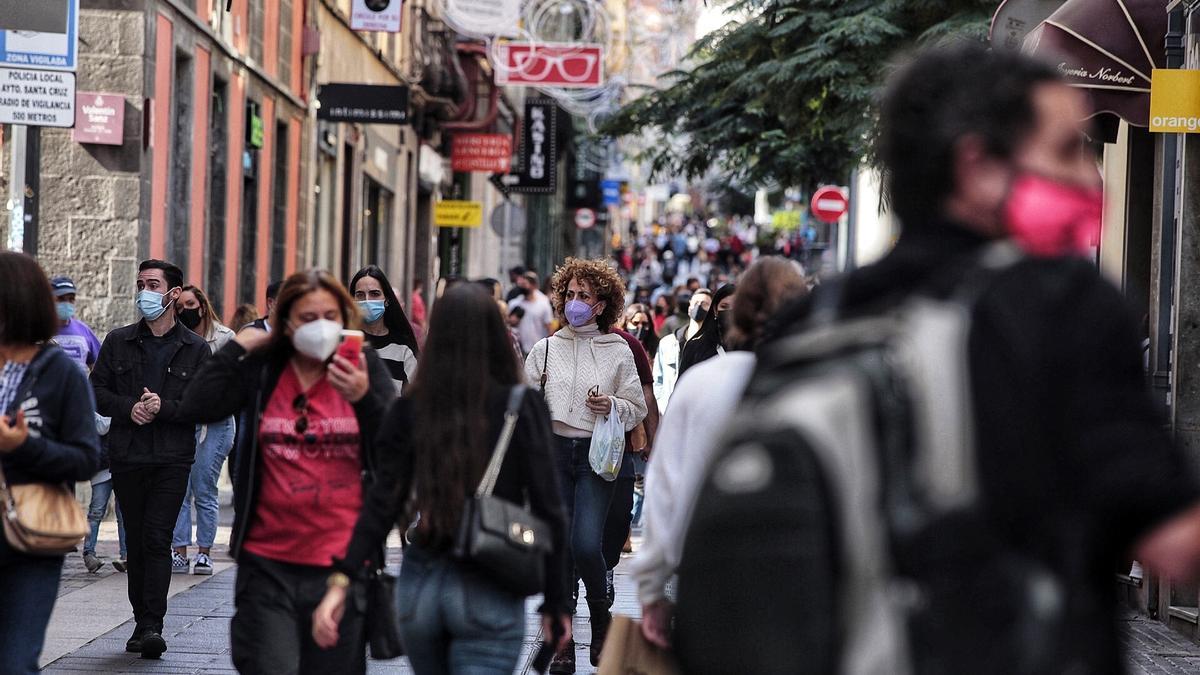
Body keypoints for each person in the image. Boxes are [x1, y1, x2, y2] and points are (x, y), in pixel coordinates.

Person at [763, 43, 1200, 671]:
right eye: (1065, 149)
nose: (1090, 177)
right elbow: (1173, 546)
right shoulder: (1067, 306)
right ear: (977, 165)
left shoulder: (812, 321)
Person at [312, 284, 572, 673]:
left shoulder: (413, 408)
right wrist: (557, 603)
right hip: (491, 583)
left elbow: (383, 502)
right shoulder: (522, 405)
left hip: (422, 583)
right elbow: (551, 507)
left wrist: (341, 580)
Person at [171, 269, 394, 674]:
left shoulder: (361, 367)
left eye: (330, 316)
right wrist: (236, 350)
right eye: (308, 318)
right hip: (267, 564)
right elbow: (195, 405)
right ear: (286, 322)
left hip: (341, 567)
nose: (321, 327)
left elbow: (396, 452)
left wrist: (363, 400)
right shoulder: (265, 369)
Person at [632, 257, 806, 648]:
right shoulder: (826, 382)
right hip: (796, 574)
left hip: (706, 564)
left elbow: (665, 484)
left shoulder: (702, 383)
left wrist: (651, 586)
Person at [524, 258, 648, 672]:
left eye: (585, 296)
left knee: (584, 544)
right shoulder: (545, 349)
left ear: (601, 304)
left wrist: (611, 404)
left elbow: (636, 406)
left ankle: (600, 617)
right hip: (553, 455)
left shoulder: (620, 350)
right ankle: (563, 644)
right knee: (558, 550)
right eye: (570, 295)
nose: (574, 302)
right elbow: (524, 404)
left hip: (596, 458)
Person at [89, 259, 211, 660]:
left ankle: (152, 625)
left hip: (172, 458)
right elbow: (97, 390)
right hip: (128, 455)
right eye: (141, 283)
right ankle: (141, 618)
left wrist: (165, 408)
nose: (144, 290)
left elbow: (205, 403)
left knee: (157, 537)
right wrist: (130, 408)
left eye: (153, 284)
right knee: (138, 542)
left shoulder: (196, 348)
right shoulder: (118, 340)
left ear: (173, 294)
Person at [0, 252, 101, 675]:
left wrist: (22, 445)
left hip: (31, 537)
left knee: (16, 663)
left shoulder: (61, 372)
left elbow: (85, 458)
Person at [171, 285, 237, 576]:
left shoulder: (224, 338)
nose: (185, 310)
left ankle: (205, 552)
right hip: (186, 419)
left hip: (216, 422)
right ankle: (179, 550)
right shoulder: (176, 339)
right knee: (180, 488)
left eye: (190, 304)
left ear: (202, 305)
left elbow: (237, 380)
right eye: (180, 306)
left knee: (204, 487)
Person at [603, 321, 661, 606]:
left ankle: (607, 566)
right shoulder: (558, 344)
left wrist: (652, 440)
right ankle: (574, 577)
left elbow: (647, 394)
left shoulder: (629, 345)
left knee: (618, 516)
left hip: (619, 449)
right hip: (572, 448)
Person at [351, 265, 419, 395]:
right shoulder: (347, 341)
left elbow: (415, 398)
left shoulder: (403, 349)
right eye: (360, 295)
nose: (367, 300)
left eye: (374, 294)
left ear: (387, 299)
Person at [652, 289, 711, 413]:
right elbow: (658, 381)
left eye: (704, 304)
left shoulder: (715, 345)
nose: (698, 307)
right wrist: (662, 407)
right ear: (689, 307)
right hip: (671, 411)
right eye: (695, 303)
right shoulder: (668, 343)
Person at [83, 414, 128, 574]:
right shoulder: (95, 397)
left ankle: (126, 555)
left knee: (124, 514)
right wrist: (122, 416)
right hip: (101, 466)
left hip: (121, 463)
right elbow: (99, 425)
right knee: (96, 512)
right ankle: (89, 554)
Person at [677, 284, 736, 377]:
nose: (730, 312)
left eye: (736, 307)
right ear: (715, 310)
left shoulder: (755, 347)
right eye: (724, 307)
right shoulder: (695, 348)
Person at [48, 275, 101, 373]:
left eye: (71, 299)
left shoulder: (84, 331)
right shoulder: (40, 332)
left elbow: (99, 369)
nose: (67, 303)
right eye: (61, 299)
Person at [510, 271, 554, 356]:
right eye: (521, 283)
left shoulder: (543, 304)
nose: (522, 286)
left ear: (533, 285)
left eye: (525, 283)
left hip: (538, 351)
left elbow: (549, 327)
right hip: (519, 351)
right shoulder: (515, 303)